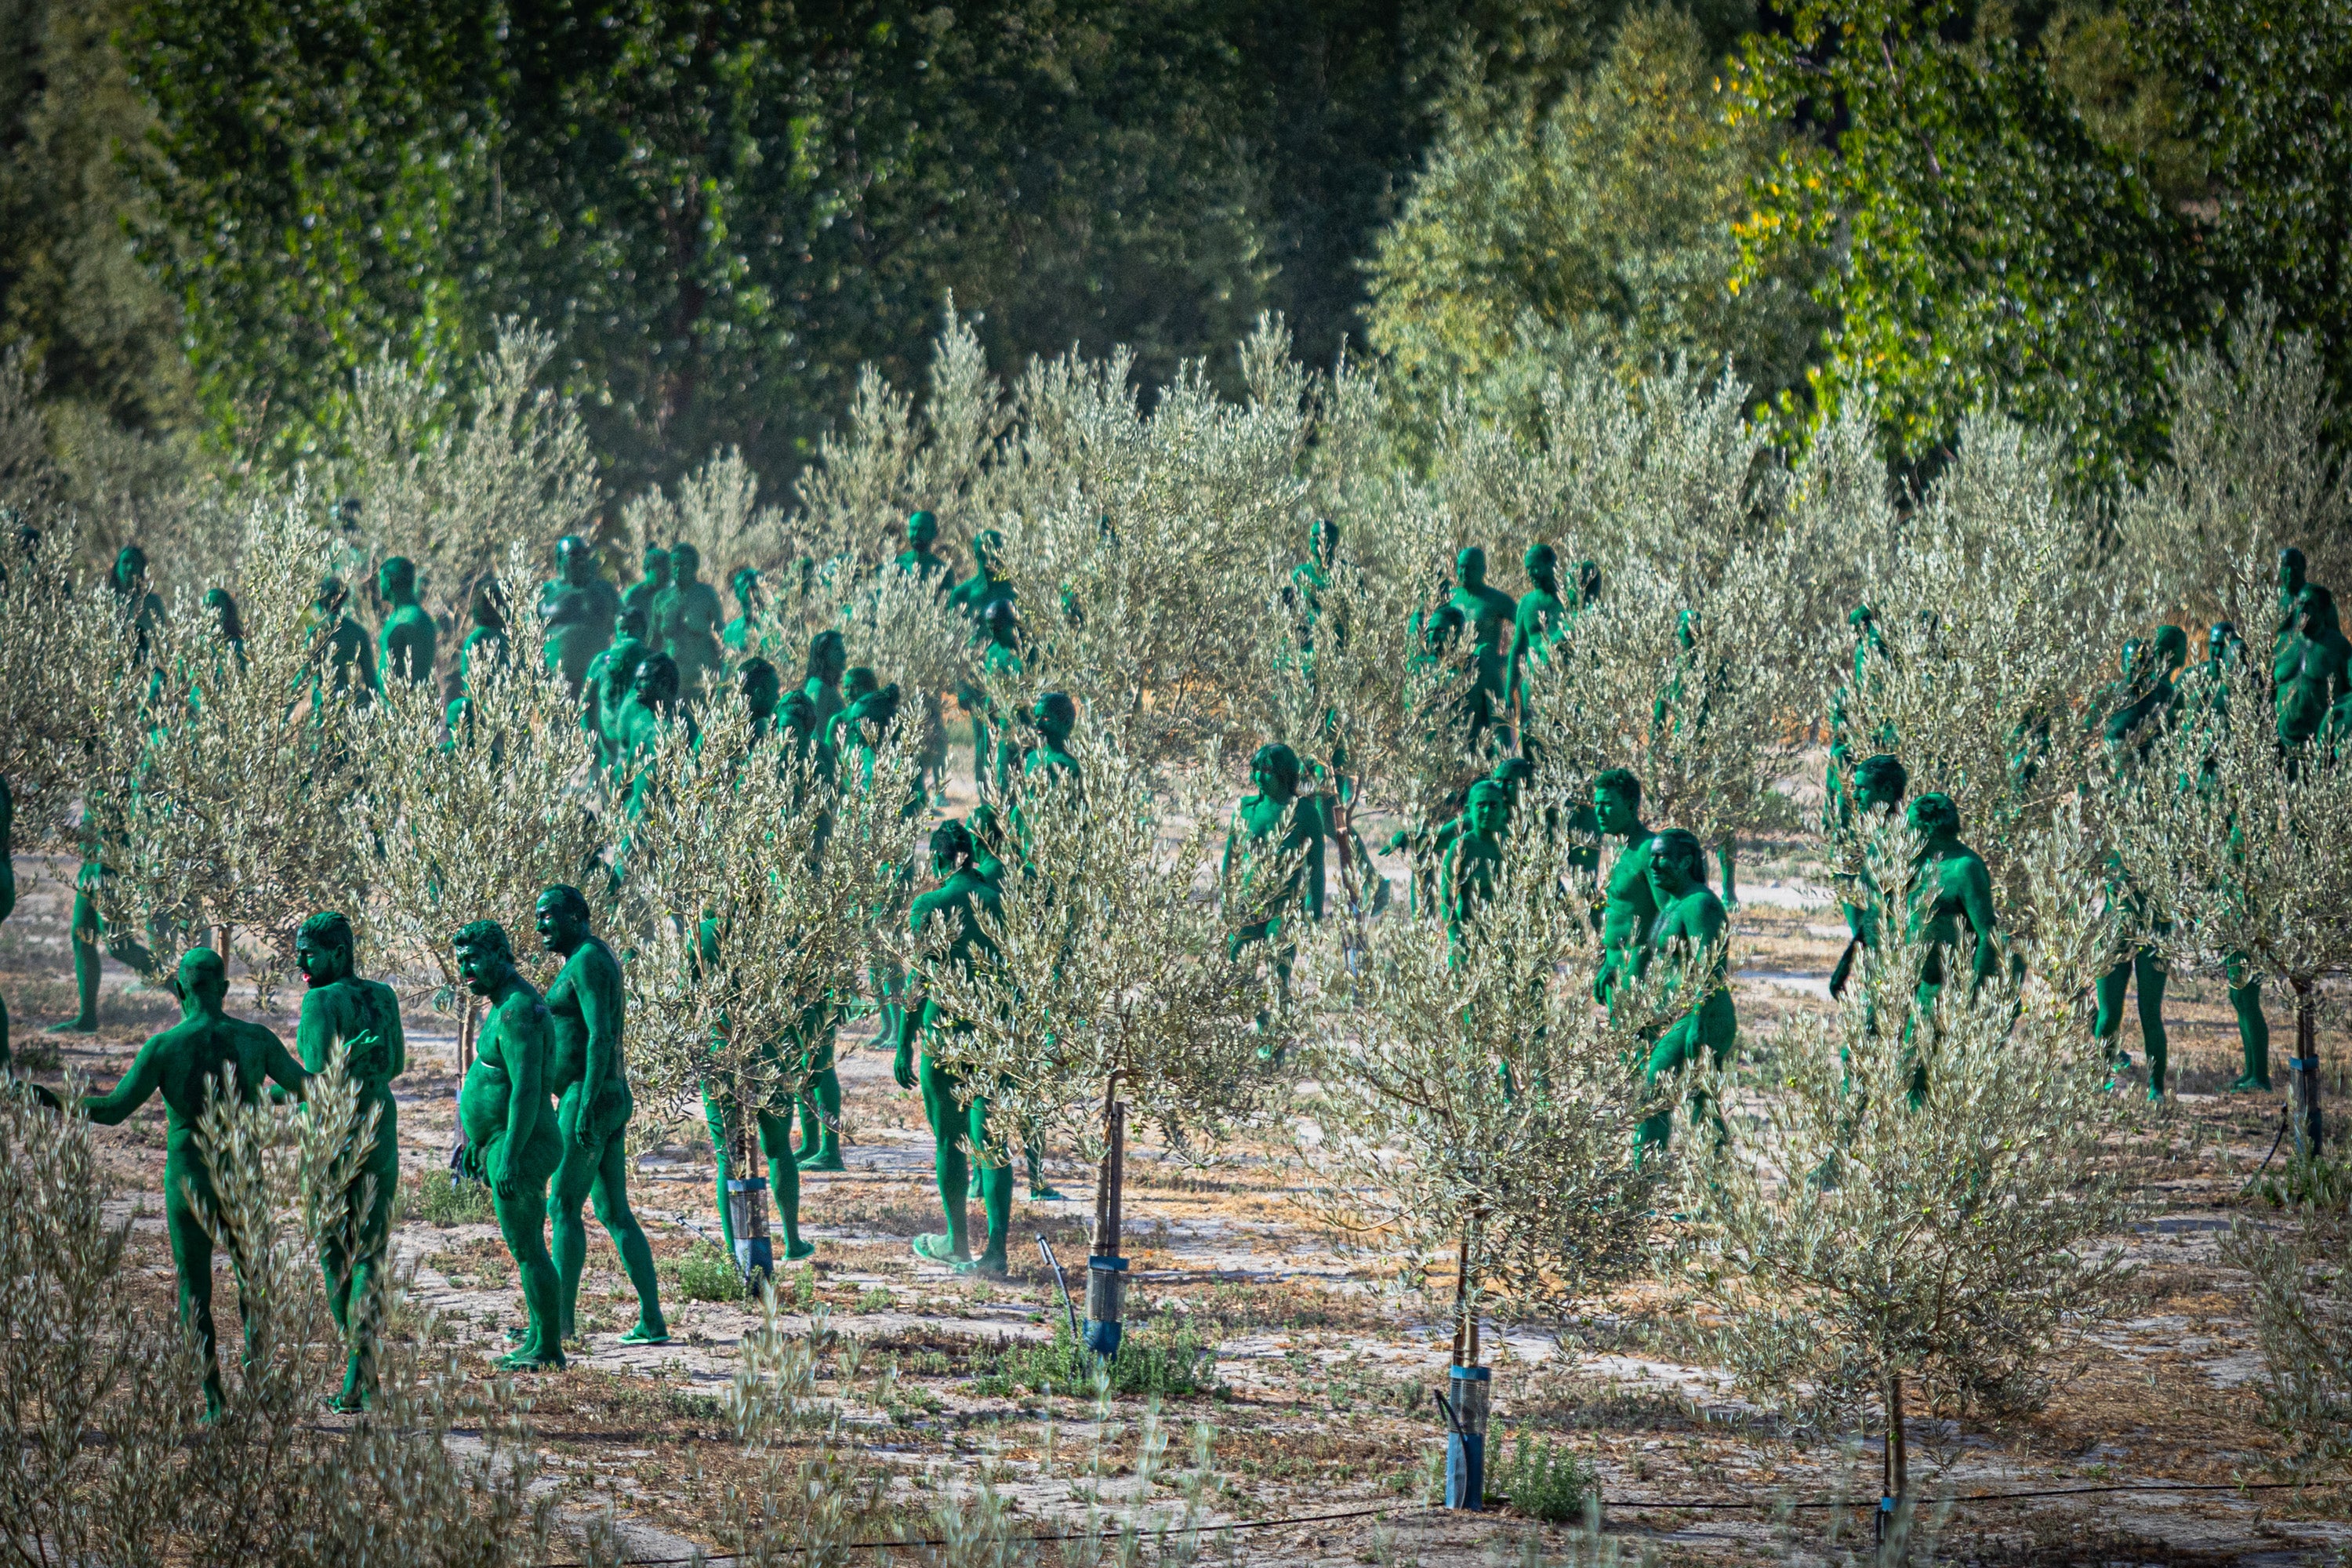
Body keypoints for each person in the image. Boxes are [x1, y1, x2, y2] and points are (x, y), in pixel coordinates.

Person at [84, 949, 310, 1414]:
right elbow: (310, 1087)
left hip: (187, 1180)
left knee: (194, 1290)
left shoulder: (163, 1047)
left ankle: (214, 1401)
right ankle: (259, 1376)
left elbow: (110, 1112)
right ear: (225, 990)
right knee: (255, 1280)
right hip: (240, 1179)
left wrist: (52, 1100)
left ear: (179, 989)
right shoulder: (256, 1039)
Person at [537, 887, 668, 1345]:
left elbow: (600, 1036)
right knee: (614, 1211)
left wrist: (585, 1104)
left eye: (549, 916)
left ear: (577, 916)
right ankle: (652, 1321)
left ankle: (558, 1325)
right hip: (606, 1094)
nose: (541, 927)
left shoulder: (588, 959)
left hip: (590, 1096)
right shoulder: (588, 956)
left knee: (562, 1207)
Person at [292, 912, 404, 1410]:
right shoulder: (383, 996)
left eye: (309, 953)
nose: (300, 963)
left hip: (334, 1133)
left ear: (338, 952)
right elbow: (396, 1065)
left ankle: (355, 1375)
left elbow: (317, 1079)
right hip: (380, 1125)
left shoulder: (320, 1001)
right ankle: (364, 1374)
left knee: (334, 1254)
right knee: (371, 1252)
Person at [894, 822, 1011, 1273]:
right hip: (998, 1036)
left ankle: (957, 1243)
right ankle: (996, 1252)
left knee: (950, 1141)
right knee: (994, 1144)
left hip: (945, 1039)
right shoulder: (1004, 902)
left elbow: (918, 979)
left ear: (940, 859)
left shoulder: (930, 905)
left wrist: (904, 1042)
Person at [451, 920, 566, 1370]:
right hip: (503, 1141)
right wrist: (482, 1145)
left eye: (475, 958)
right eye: (462, 961)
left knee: (527, 1248)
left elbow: (527, 1091)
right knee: (525, 1246)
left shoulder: (519, 1010)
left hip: (524, 1143)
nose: (467, 969)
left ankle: (549, 1347)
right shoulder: (502, 1006)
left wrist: (510, 1156)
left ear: (502, 955)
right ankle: (538, 1336)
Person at [1633, 829, 1736, 1159]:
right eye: (1652, 856)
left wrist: (1696, 1021)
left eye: (1662, 856)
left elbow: (1710, 965)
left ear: (1686, 861)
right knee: (1702, 1099)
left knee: (1654, 1088)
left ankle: (1640, 1185)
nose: (1653, 863)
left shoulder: (1700, 904)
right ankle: (1717, 1194)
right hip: (1683, 1014)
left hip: (1704, 1015)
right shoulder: (1674, 903)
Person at [1591, 768, 1659, 1011]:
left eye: (1608, 804)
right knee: (1624, 1046)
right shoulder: (1619, 850)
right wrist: (1607, 962)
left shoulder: (1648, 851)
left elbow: (1670, 913)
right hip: (1614, 966)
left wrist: (1638, 968)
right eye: (1597, 803)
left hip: (1637, 970)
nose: (1599, 811)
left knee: (1637, 1046)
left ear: (1630, 805)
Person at [1447, 546, 1516, 749]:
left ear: (1483, 569)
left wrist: (1505, 660)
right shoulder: (1450, 598)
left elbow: (1526, 632)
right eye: (1461, 567)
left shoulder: (1497, 600)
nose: (1464, 573)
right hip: (1458, 677)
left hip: (1489, 675)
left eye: (1471, 568)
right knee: (1461, 733)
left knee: (1497, 731)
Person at [539, 535, 622, 695]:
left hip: (599, 678)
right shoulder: (545, 593)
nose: (582, 559)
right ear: (559, 559)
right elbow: (527, 637)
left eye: (585, 554)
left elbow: (624, 626)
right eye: (574, 554)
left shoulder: (604, 590)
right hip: (557, 681)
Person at [652, 540, 725, 703]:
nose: (678, 569)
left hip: (700, 680)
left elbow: (721, 636)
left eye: (683, 565)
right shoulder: (662, 598)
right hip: (670, 680)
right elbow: (654, 641)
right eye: (675, 564)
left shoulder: (706, 595)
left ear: (694, 567)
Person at [586, 605, 652, 766]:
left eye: (632, 629)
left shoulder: (654, 662)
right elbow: (587, 703)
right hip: (607, 742)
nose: (627, 634)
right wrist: (589, 741)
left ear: (644, 631)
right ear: (615, 630)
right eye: (622, 629)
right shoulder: (601, 661)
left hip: (640, 743)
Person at [311, 575, 378, 704]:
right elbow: (370, 680)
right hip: (353, 703)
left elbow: (302, 678)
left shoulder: (316, 633)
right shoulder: (358, 632)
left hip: (324, 704)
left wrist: (283, 717)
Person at [377, 556, 437, 687]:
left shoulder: (407, 619)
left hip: (401, 702)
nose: (380, 585)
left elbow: (414, 670)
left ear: (389, 580)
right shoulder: (413, 616)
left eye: (381, 580)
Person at [898, 509, 953, 583]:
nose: (916, 534)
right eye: (913, 529)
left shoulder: (943, 571)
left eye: (922, 530)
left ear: (934, 533)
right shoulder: (897, 565)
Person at [622, 546, 670, 626]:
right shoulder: (633, 595)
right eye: (660, 570)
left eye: (668, 570)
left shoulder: (673, 595)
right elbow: (621, 626)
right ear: (647, 569)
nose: (666, 574)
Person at [722, 566, 764, 653]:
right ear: (738, 594)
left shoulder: (774, 625)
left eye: (756, 589)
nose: (753, 596)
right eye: (747, 591)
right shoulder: (731, 631)